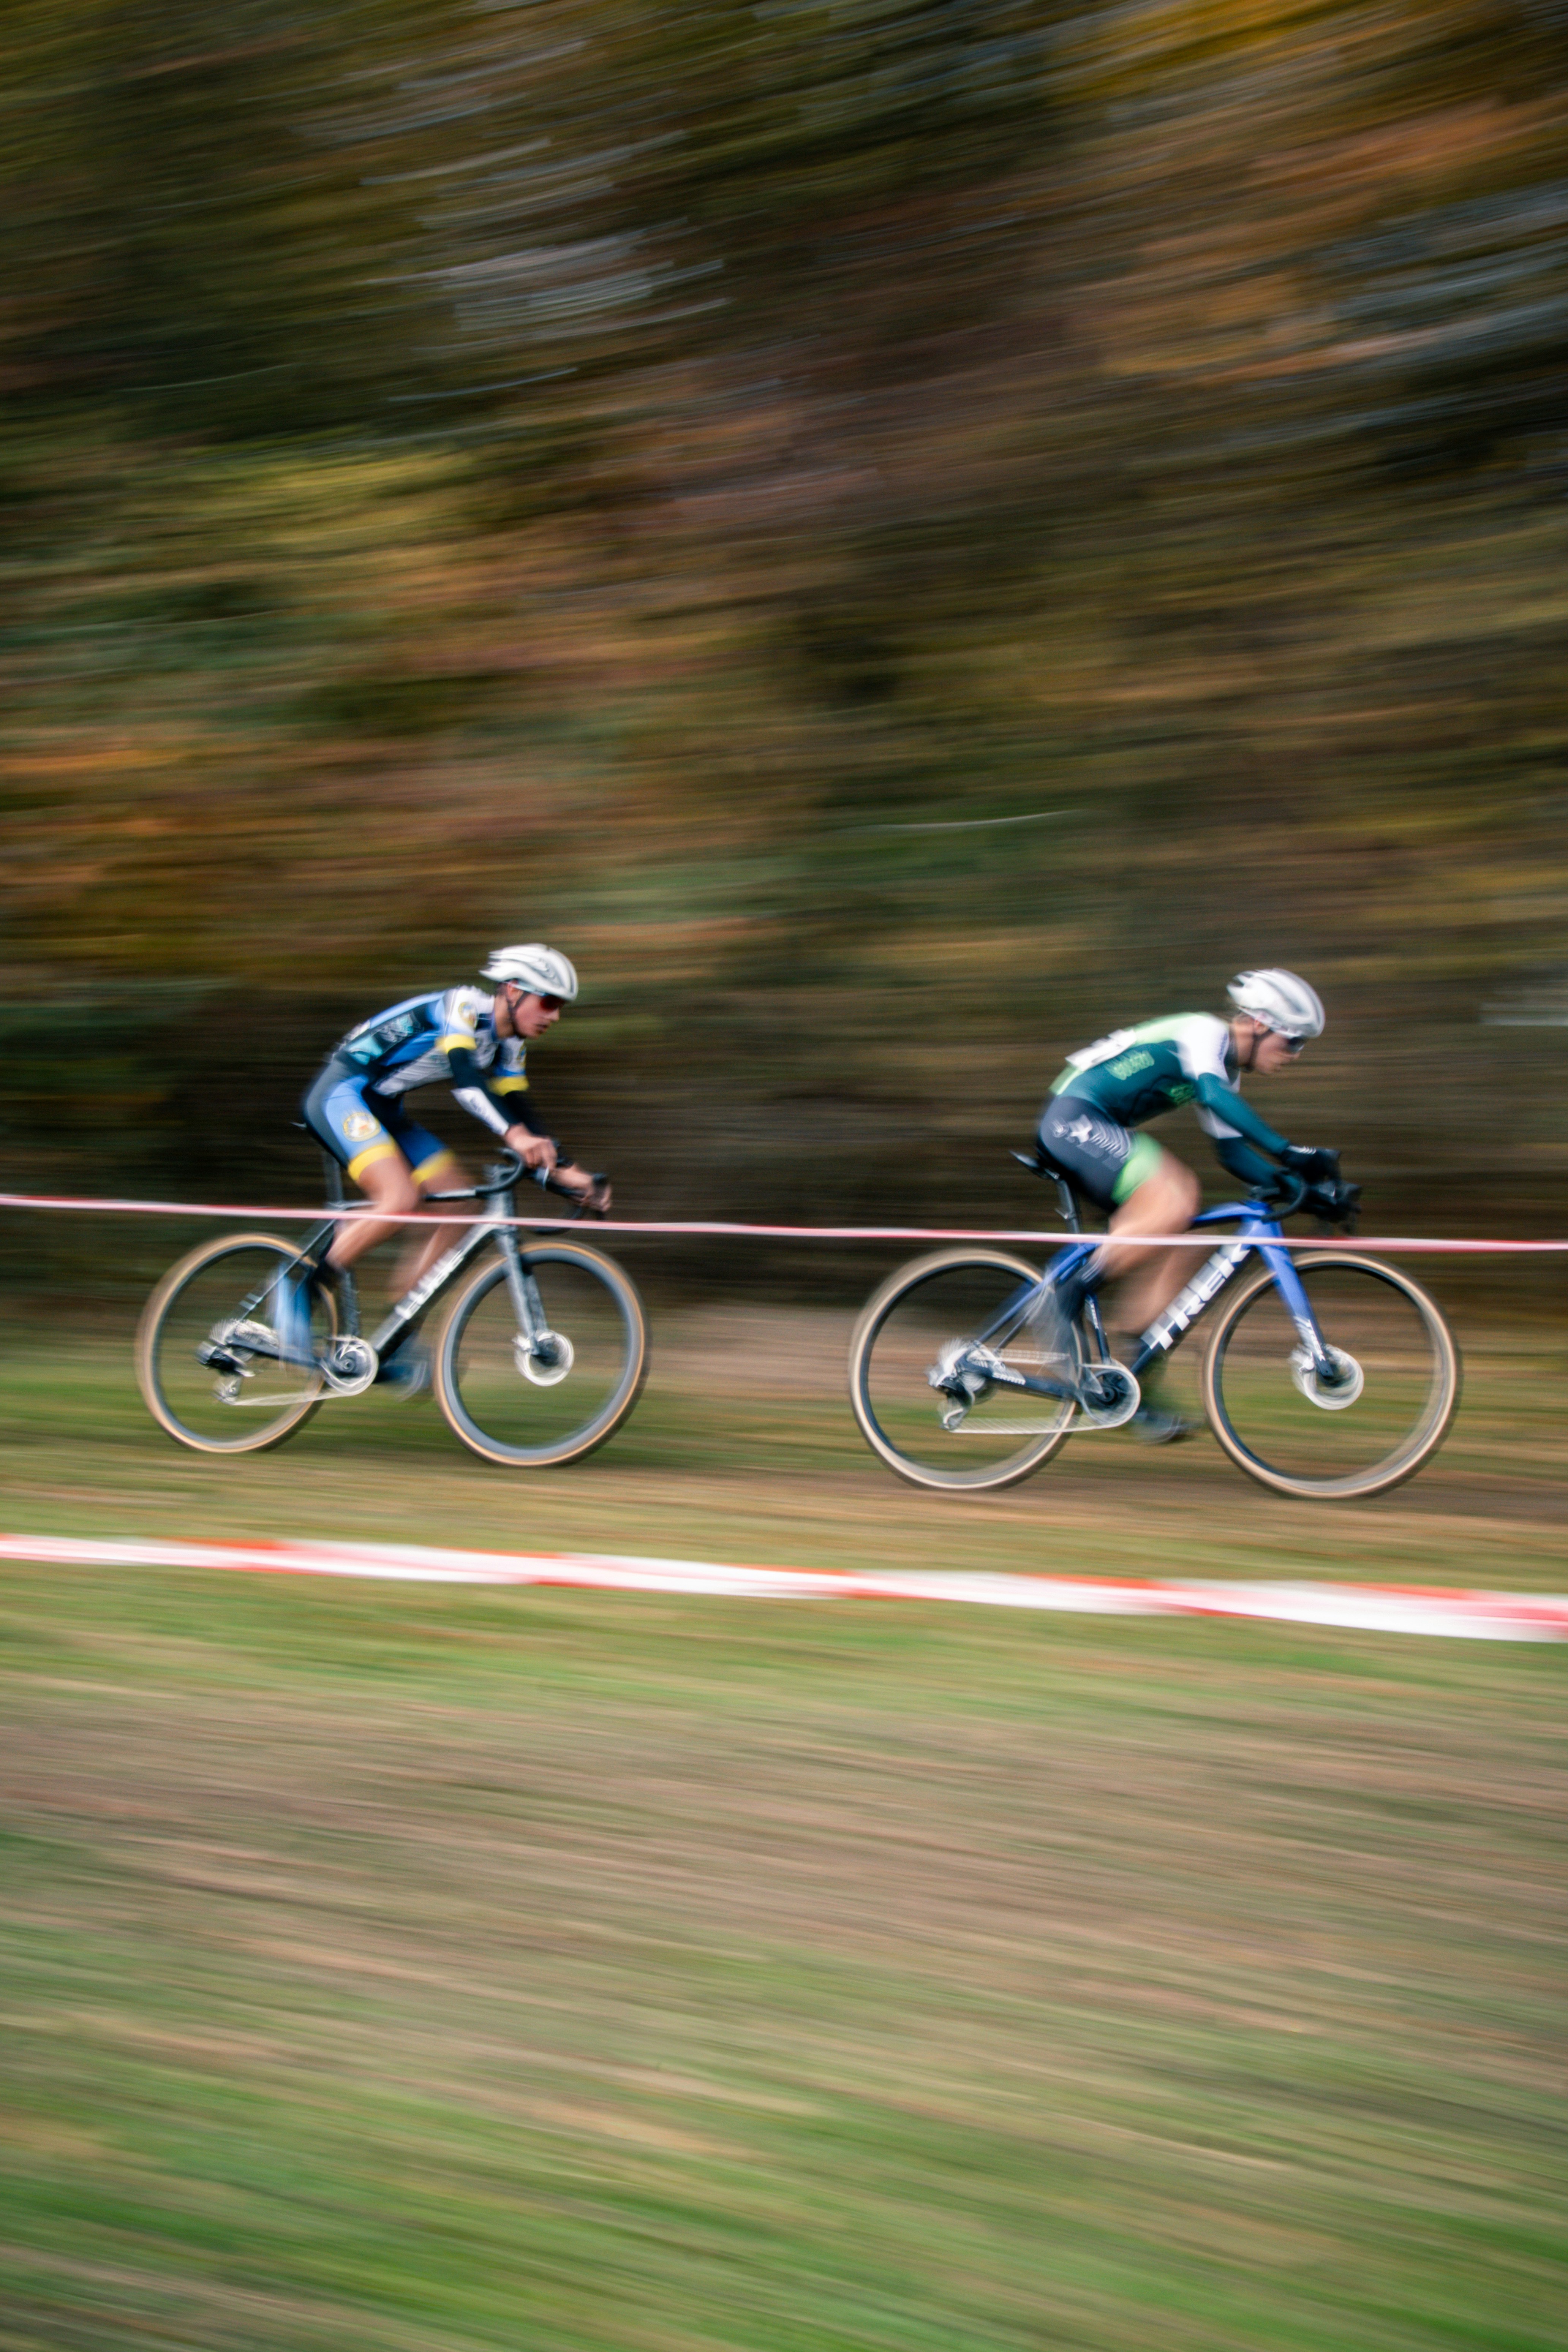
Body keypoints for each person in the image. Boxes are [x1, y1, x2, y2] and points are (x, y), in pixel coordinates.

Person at [1032, 969, 1337, 1438]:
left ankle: (1133, 1378)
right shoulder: (1205, 1034)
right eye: (1294, 1041)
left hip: (1094, 1126)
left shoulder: (1222, 1070)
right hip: (1075, 1116)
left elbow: (1232, 1152)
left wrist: (1302, 1188)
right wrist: (1289, 1150)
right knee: (1177, 1193)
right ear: (1259, 1023)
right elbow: (1214, 1096)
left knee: (1190, 1241)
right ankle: (1066, 1296)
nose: (1296, 1055)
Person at [280, 945, 609, 1378]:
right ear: (513, 991)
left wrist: (565, 1171)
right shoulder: (463, 1008)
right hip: (342, 1093)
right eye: (548, 1002)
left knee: (459, 1208)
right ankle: (299, 1291)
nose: (555, 1016)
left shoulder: (510, 1045)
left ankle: (397, 1334)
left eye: (561, 1007)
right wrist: (517, 1137)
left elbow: (520, 1111)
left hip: (384, 1109)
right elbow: (468, 1082)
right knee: (399, 1198)